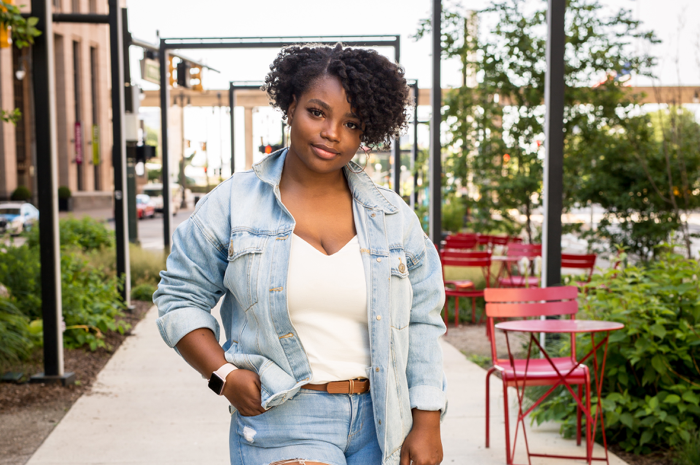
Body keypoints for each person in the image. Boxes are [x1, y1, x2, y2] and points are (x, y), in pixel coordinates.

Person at [154, 43, 447, 465]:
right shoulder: (234, 203)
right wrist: (223, 375)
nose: (332, 133)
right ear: (291, 106)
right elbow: (180, 296)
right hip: (284, 417)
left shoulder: (391, 216)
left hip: (384, 422)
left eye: (351, 123)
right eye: (317, 112)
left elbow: (421, 319)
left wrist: (427, 419)